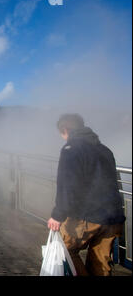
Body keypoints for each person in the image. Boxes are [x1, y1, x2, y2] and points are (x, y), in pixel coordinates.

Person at [47, 114, 125, 276]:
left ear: (65, 130)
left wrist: (57, 215)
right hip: (112, 217)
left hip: (87, 216)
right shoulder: (105, 150)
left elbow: (67, 185)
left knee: (64, 251)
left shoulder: (71, 149)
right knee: (100, 265)